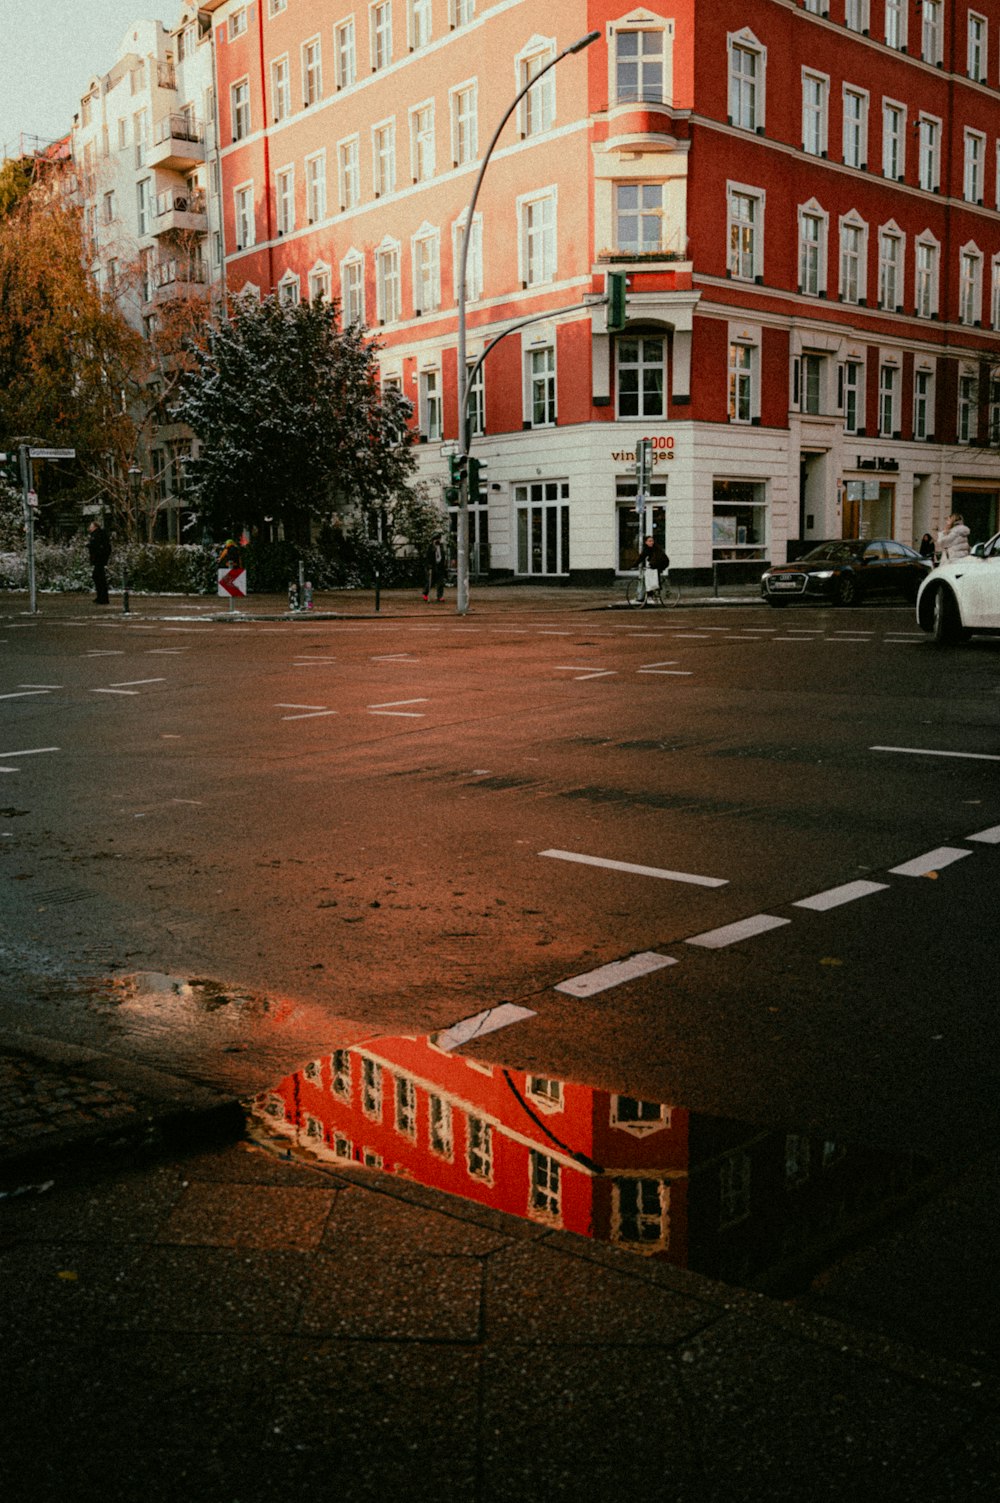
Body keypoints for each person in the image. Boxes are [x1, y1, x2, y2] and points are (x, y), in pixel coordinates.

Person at [87, 519, 111, 605]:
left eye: (91, 526)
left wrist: (90, 546)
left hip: (99, 560)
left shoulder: (97, 535)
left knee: (98, 578)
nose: (89, 528)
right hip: (100, 559)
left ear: (95, 527)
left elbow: (97, 546)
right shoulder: (99, 534)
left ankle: (102, 597)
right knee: (99, 578)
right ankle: (101, 597)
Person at [423, 531, 448, 601]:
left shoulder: (441, 547)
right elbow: (428, 557)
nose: (438, 541)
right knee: (430, 581)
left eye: (439, 539)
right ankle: (425, 593)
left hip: (440, 566)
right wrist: (429, 566)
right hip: (432, 566)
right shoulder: (430, 547)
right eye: (436, 539)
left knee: (440, 582)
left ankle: (440, 596)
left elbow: (443, 556)